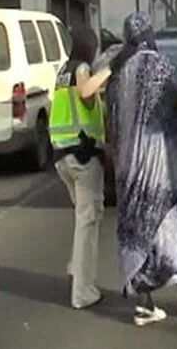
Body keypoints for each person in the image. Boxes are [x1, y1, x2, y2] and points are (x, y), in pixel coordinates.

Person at [107, 12, 177, 326]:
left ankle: (144, 303)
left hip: (128, 170)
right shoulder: (160, 68)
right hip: (163, 167)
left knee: (137, 231)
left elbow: (112, 123)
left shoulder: (118, 76)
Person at [49, 26, 112, 310]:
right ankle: (82, 292)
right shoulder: (82, 70)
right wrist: (109, 69)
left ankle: (76, 269)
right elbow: (86, 91)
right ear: (89, 49)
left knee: (82, 216)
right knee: (88, 220)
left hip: (62, 156)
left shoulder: (63, 71)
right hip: (83, 154)